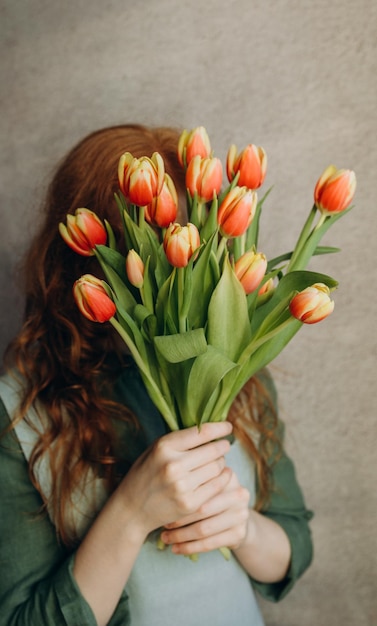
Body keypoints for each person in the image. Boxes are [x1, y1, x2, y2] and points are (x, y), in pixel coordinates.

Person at [0, 124, 313, 626]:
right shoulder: (16, 413)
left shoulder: (235, 367)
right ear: (72, 257)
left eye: (170, 242)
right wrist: (129, 513)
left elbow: (292, 544)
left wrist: (242, 528)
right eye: (123, 249)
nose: (149, 274)